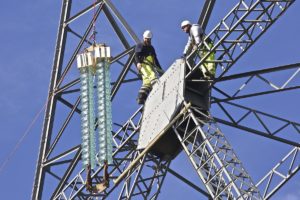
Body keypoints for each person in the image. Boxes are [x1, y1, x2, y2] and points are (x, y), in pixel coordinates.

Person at [135, 30, 164, 104]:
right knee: (151, 75)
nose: (146, 40)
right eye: (145, 39)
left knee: (147, 82)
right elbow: (136, 55)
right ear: (144, 38)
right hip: (143, 64)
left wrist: (160, 69)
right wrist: (138, 63)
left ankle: (142, 97)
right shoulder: (140, 45)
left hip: (150, 65)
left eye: (148, 39)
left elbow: (155, 59)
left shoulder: (151, 48)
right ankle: (157, 86)